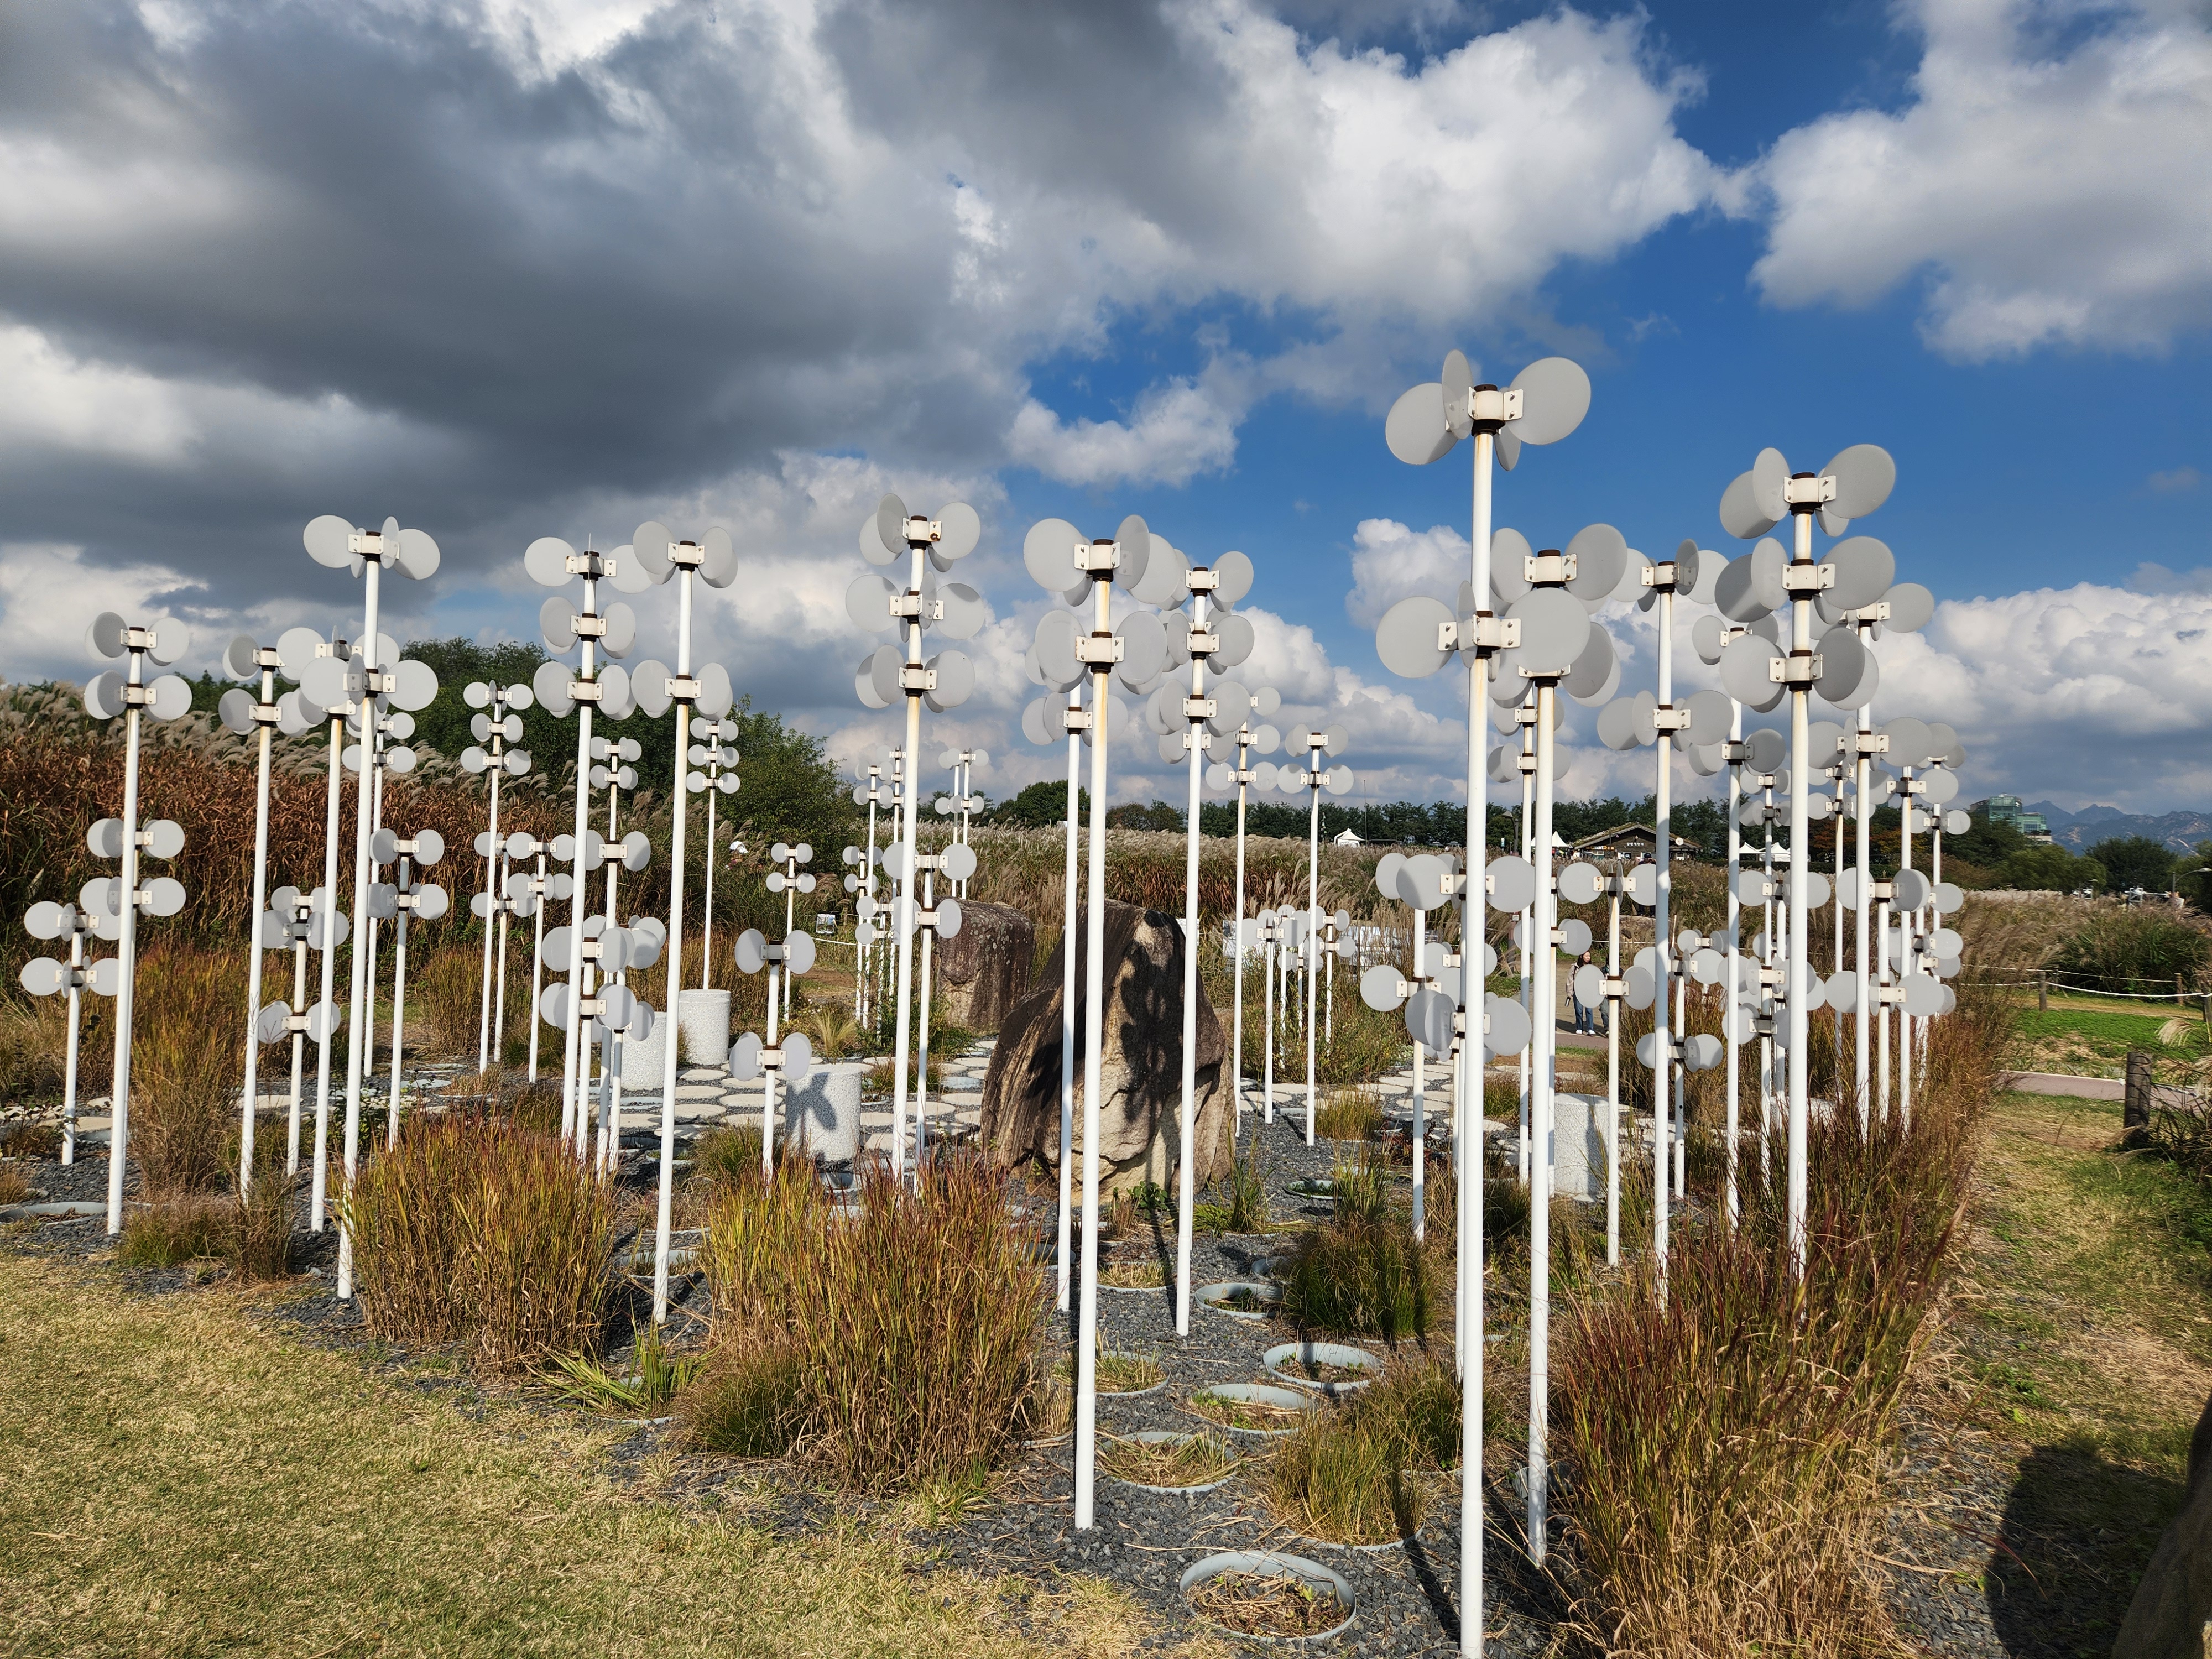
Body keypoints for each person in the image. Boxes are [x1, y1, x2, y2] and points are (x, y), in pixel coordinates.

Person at [1570, 950, 1598, 1035]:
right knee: (1579, 1011)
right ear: (1581, 956)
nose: (1588, 958)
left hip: (1588, 992)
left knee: (1589, 1011)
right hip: (1578, 991)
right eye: (1586, 956)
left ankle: (1590, 1028)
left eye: (1589, 956)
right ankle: (1579, 1028)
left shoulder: (1592, 968)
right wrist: (1570, 992)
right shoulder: (1575, 967)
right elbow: (1570, 980)